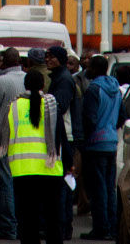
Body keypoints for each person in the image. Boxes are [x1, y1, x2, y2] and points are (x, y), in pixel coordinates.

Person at [2, 68, 65, 244]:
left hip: (22, 170)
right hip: (50, 169)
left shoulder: (14, 106)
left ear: (25, 85)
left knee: (27, 218)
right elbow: (61, 136)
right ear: (43, 85)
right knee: (53, 217)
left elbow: (4, 133)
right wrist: (69, 163)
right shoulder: (52, 104)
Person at [0, 48, 26, 241]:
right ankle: (19, 223)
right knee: (18, 182)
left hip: (1, 137)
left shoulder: (0, 81)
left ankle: (8, 226)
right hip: (24, 138)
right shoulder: (27, 78)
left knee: (3, 182)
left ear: (3, 61)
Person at [80, 55, 121, 240]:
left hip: (95, 143)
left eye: (89, 66)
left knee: (98, 189)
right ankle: (111, 227)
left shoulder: (93, 89)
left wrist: (85, 139)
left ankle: (100, 228)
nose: (86, 69)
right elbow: (122, 115)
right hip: (111, 142)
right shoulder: (116, 89)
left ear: (95, 69)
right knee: (109, 188)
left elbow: (89, 118)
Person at [45, 46, 81, 241]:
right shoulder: (59, 77)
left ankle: (64, 227)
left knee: (63, 185)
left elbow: (60, 106)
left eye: (52, 57)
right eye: (47, 57)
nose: (48, 60)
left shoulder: (64, 80)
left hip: (65, 135)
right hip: (61, 134)